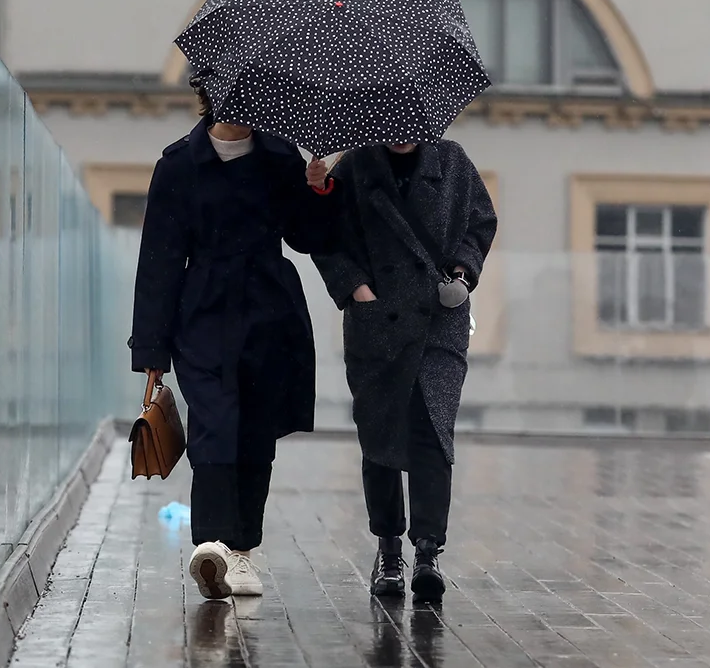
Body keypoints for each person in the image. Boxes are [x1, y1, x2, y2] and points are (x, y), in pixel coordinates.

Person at [130, 70, 341, 601]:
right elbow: (157, 261)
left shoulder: (279, 157)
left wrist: (316, 188)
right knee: (213, 427)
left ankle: (243, 550)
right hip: (201, 314)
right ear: (210, 94)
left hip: (270, 312)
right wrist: (150, 349)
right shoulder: (178, 164)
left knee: (254, 433)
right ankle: (214, 545)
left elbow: (309, 235)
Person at [311, 138, 496, 603]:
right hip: (377, 324)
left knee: (433, 429)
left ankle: (429, 551)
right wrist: (357, 289)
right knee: (380, 433)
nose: (402, 127)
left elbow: (481, 222)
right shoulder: (354, 167)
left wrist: (462, 274)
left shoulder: (452, 162)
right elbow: (324, 238)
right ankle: (388, 548)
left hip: (439, 319)